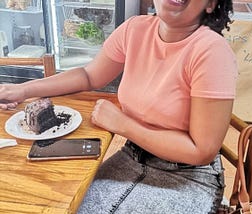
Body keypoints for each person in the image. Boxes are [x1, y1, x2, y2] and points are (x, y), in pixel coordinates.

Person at [0, 0, 237, 213]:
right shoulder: (135, 29)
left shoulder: (211, 51)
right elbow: (88, 75)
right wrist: (23, 89)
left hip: (188, 176)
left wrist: (123, 125)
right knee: (61, 201)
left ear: (210, 4)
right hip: (132, 157)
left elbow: (202, 150)